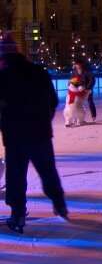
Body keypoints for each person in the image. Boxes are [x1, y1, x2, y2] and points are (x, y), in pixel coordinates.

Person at [0, 34, 68, 233]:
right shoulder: (38, 71)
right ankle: (59, 203)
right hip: (40, 132)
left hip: (15, 135)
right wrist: (43, 119)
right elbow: (53, 100)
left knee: (16, 175)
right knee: (48, 170)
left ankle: (18, 214)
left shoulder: (2, 76)